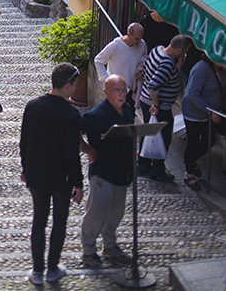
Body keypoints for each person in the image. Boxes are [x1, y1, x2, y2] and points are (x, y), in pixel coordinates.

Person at [20, 63, 84, 286]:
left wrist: (25, 169)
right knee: (59, 221)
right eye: (75, 85)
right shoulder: (70, 114)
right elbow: (71, 152)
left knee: (39, 220)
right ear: (67, 86)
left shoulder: (33, 106)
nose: (75, 88)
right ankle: (52, 268)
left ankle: (37, 271)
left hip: (36, 174)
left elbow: (24, 142)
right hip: (60, 179)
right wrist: (78, 183)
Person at [80, 75, 134, 269]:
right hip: (103, 172)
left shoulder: (127, 110)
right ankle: (89, 252)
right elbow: (75, 132)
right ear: (106, 93)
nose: (121, 95)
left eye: (124, 90)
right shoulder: (97, 114)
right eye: (117, 91)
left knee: (116, 214)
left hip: (122, 171)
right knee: (96, 214)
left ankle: (110, 247)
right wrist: (89, 151)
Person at [138, 34, 190, 182]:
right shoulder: (167, 63)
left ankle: (144, 165)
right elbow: (154, 86)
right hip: (158, 107)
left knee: (148, 134)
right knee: (163, 138)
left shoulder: (157, 50)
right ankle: (157, 171)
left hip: (145, 101)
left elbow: (147, 70)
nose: (184, 55)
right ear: (179, 50)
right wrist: (156, 105)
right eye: (184, 53)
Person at [182, 53, 225, 190]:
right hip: (194, 113)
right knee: (193, 143)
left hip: (209, 114)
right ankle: (189, 174)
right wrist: (210, 111)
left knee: (208, 142)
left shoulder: (220, 70)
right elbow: (192, 94)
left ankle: (191, 160)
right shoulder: (201, 69)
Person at [94, 23, 147, 107]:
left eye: (141, 38)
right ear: (129, 35)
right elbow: (98, 60)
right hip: (116, 91)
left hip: (132, 91)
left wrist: (142, 72)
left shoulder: (142, 45)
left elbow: (144, 60)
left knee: (129, 117)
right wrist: (106, 79)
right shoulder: (114, 46)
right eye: (137, 39)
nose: (139, 41)